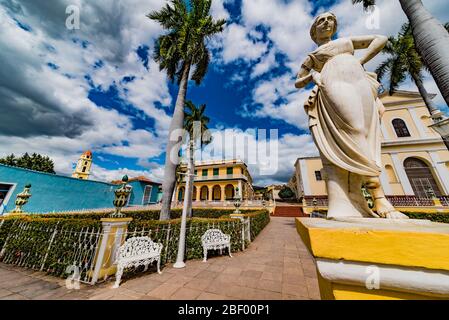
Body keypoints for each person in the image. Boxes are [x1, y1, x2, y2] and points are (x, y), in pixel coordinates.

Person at [295, 12, 407, 219]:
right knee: (353, 128)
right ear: (314, 31)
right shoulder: (313, 56)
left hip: (359, 80)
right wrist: (313, 75)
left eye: (331, 19)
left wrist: (359, 60)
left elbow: (381, 39)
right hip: (333, 82)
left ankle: (359, 199)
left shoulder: (346, 42)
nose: (327, 22)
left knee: (365, 130)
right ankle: (378, 196)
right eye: (321, 20)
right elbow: (297, 81)